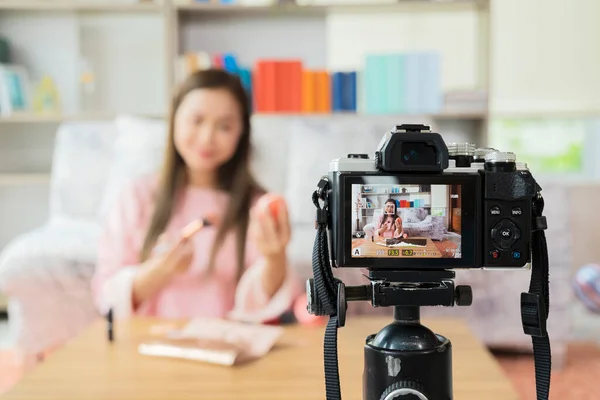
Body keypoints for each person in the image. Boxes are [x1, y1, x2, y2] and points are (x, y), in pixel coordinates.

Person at [91, 69, 299, 323]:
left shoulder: (256, 206)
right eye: (197, 120)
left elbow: (265, 304)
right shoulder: (137, 196)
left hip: (228, 347)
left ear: (242, 133)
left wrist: (275, 257)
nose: (207, 138)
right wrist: (161, 269)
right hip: (149, 350)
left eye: (224, 126)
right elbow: (107, 297)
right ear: (174, 120)